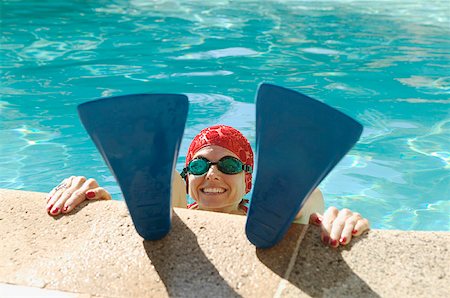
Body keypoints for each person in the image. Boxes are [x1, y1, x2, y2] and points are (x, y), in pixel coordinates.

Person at [45, 125, 369, 247]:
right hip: (174, 215)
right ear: (189, 180)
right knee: (161, 181)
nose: (212, 173)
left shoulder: (268, 221)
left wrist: (341, 222)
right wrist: (87, 193)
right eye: (199, 165)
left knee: (303, 195)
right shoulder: (174, 205)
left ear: (248, 180)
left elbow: (313, 213)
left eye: (228, 165)